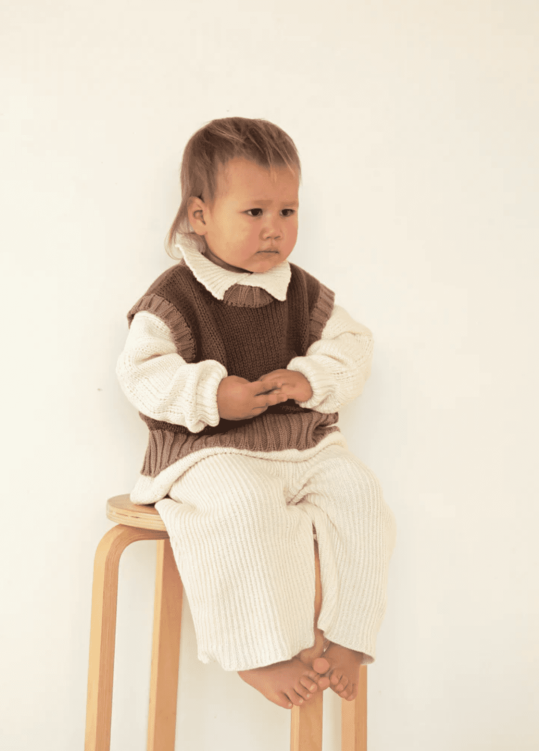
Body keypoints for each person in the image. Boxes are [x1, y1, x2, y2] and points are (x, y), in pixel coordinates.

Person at [116, 117, 396, 711]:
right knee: (241, 506)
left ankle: (347, 636)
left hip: (304, 446)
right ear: (200, 216)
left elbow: (354, 346)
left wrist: (310, 379)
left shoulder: (302, 291)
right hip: (210, 452)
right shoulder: (177, 294)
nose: (274, 231)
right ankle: (261, 650)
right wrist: (213, 394)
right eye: (254, 213)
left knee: (362, 497)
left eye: (287, 213)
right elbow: (141, 373)